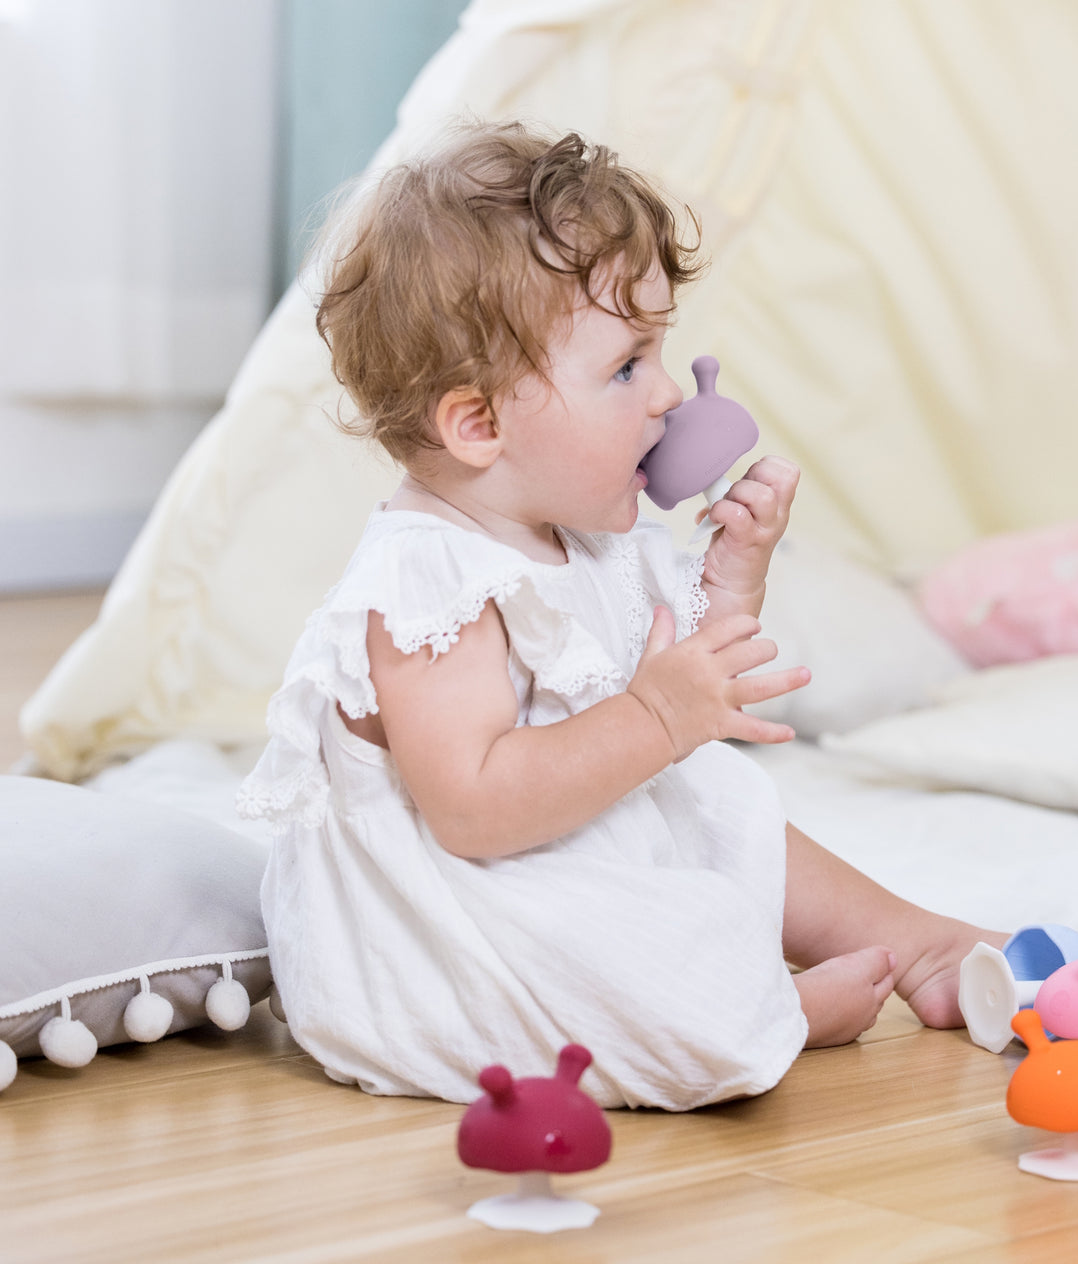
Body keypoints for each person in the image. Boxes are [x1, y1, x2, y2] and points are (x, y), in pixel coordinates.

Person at [237, 121, 999, 1110]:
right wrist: (651, 719)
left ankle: (908, 932)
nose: (670, 396)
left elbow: (672, 667)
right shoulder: (430, 583)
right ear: (479, 424)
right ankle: (763, 1009)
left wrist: (730, 576)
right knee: (639, 939)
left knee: (722, 801)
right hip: (456, 919)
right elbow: (470, 812)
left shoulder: (582, 531)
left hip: (565, 835)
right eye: (627, 365)